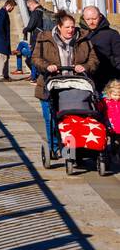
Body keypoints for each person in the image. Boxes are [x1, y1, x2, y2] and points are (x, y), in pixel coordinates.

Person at [32, 10, 98, 157]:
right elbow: (36, 59)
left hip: (76, 85)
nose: (71, 30)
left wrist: (85, 67)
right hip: (51, 84)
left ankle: (79, 145)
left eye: (72, 27)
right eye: (67, 27)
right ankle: (55, 147)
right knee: (51, 118)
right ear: (59, 27)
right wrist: (47, 66)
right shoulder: (44, 39)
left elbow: (93, 60)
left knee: (77, 116)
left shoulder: (83, 39)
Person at [80, 6, 120, 98]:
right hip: (86, 79)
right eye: (88, 19)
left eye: (94, 18)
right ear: (83, 18)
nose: (91, 22)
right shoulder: (80, 34)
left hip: (107, 79)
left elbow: (118, 57)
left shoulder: (112, 34)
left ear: (100, 17)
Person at [0, 0, 14, 80]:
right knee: (2, 58)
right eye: (12, 7)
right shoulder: (2, 13)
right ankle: (0, 75)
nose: (12, 9)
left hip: (3, 39)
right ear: (9, 5)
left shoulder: (3, 12)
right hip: (1, 40)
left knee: (5, 57)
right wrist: (3, 40)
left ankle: (5, 75)